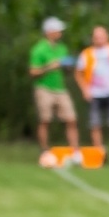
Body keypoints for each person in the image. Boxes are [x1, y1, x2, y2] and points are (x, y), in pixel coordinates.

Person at [74, 25, 109, 165]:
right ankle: (99, 155)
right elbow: (78, 74)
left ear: (107, 36)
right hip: (94, 93)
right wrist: (85, 89)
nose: (99, 38)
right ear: (93, 38)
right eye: (96, 36)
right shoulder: (87, 54)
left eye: (101, 35)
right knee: (95, 125)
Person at [29, 16, 78, 156]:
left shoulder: (62, 48)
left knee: (71, 119)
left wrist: (67, 67)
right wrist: (50, 67)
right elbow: (33, 72)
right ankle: (45, 151)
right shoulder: (38, 49)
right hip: (44, 88)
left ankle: (75, 152)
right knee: (45, 120)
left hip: (60, 88)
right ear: (49, 31)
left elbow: (65, 69)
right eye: (58, 30)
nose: (60, 33)